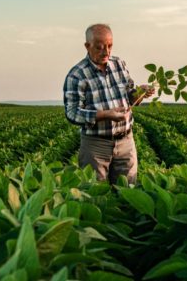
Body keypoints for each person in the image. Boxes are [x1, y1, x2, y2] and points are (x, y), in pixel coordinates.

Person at [63, 23, 154, 185]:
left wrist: (140, 93)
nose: (106, 51)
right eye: (99, 47)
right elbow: (72, 112)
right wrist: (105, 115)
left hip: (126, 142)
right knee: (95, 193)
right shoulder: (77, 75)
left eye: (110, 46)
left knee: (128, 192)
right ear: (87, 46)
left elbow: (130, 97)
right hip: (95, 145)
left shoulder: (119, 64)